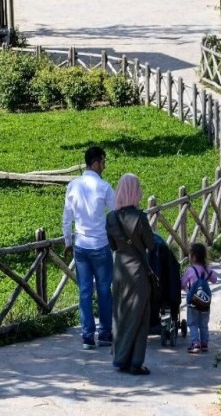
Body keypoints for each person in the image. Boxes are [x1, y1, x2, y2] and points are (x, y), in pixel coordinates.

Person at [62, 146, 116, 350]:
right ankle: (105, 333)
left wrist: (68, 242)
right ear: (95, 163)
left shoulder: (73, 186)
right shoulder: (104, 187)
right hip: (100, 244)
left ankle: (87, 336)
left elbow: (67, 217)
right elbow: (116, 213)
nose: (104, 166)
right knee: (104, 290)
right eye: (103, 162)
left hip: (81, 246)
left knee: (84, 291)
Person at [106, 173, 154, 375]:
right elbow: (151, 244)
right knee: (140, 317)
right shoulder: (140, 218)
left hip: (120, 271)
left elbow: (112, 245)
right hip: (138, 273)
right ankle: (136, 362)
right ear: (135, 191)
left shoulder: (111, 218)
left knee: (121, 314)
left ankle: (120, 358)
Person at [181, 242, 218, 353]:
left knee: (192, 323)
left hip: (193, 301)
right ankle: (204, 344)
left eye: (190, 254)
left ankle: (195, 343)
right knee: (203, 324)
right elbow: (215, 280)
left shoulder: (190, 270)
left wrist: (188, 290)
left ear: (194, 257)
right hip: (205, 301)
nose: (189, 256)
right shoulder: (207, 269)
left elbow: (182, 284)